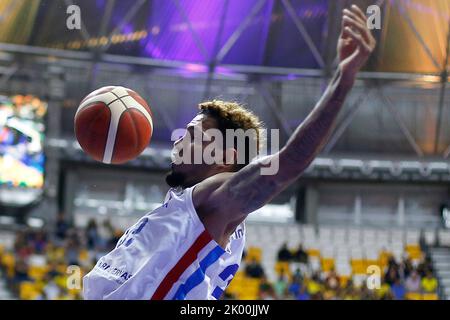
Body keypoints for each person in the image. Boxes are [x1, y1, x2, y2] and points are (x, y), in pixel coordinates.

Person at [83, 5, 376, 300]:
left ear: (224, 158)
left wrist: (343, 79)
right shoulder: (187, 208)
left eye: (193, 136)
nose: (178, 141)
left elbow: (288, 164)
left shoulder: (212, 201)